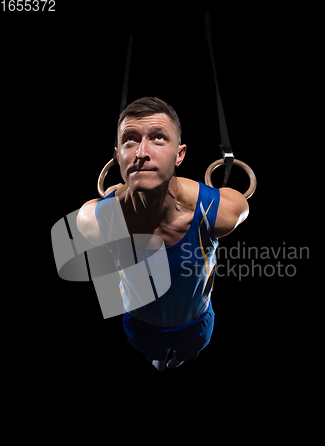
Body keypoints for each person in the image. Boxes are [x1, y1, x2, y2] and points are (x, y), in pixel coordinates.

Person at [77, 97, 249, 371]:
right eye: (130, 140)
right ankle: (158, 360)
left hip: (196, 324)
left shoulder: (221, 211)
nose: (140, 152)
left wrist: (114, 195)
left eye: (158, 138)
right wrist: (115, 199)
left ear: (179, 154)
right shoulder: (94, 221)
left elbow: (237, 203)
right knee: (152, 357)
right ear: (117, 156)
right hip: (139, 325)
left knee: (187, 356)